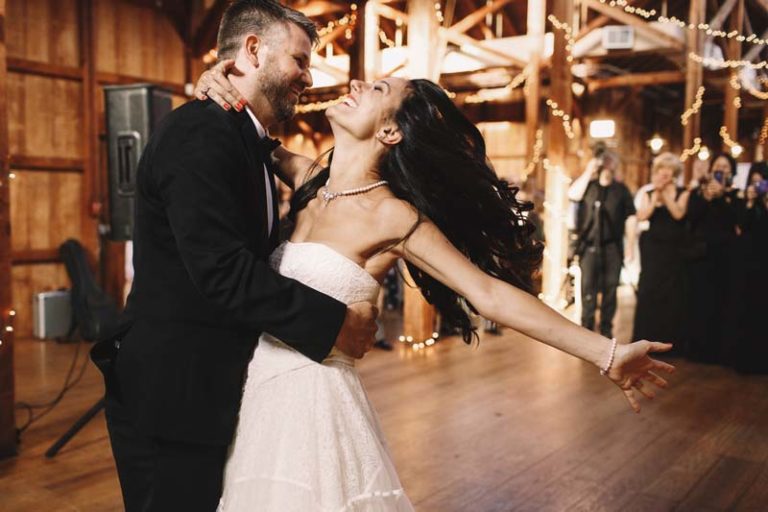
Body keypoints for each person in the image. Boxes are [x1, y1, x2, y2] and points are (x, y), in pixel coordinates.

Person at [197, 65, 675, 510]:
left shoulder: (393, 216)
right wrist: (213, 82)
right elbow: (251, 134)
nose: (359, 84)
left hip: (317, 408)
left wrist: (605, 353)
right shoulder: (308, 179)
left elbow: (487, 293)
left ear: (390, 131)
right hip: (262, 393)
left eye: (378, 90)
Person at [91, 3, 380, 511]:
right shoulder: (200, 134)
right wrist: (335, 324)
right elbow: (222, 272)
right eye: (299, 59)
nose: (308, 77)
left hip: (217, 391)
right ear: (252, 49)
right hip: (172, 395)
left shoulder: (248, 142)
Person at [568, 148, 636, 338]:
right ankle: (587, 327)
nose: (607, 164)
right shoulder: (589, 187)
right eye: (604, 160)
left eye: (610, 161)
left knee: (610, 289)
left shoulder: (621, 191)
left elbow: (631, 217)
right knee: (588, 287)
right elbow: (573, 195)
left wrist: (630, 245)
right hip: (589, 246)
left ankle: (606, 329)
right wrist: (589, 171)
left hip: (612, 246)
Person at [683, 152, 741, 364]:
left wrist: (722, 197)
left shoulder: (735, 196)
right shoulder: (699, 193)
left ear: (732, 172)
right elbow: (691, 219)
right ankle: (698, 348)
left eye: (726, 167)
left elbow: (736, 222)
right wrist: (707, 198)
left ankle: (720, 350)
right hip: (701, 256)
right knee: (700, 302)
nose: (722, 170)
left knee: (722, 302)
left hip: (726, 257)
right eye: (718, 166)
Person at [632, 153, 689, 352]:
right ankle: (646, 340)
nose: (663, 173)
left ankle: (671, 343)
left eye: (668, 170)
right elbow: (641, 216)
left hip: (674, 248)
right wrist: (656, 194)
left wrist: (665, 194)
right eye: (660, 169)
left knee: (672, 292)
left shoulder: (683, 191)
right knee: (649, 290)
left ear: (674, 173)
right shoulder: (649, 193)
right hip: (653, 247)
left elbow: (678, 214)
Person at [732, 162, 768, 373]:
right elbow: (740, 228)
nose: (758, 185)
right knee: (747, 309)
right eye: (754, 181)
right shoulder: (744, 202)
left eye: (762, 181)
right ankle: (745, 360)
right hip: (747, 264)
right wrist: (749, 202)